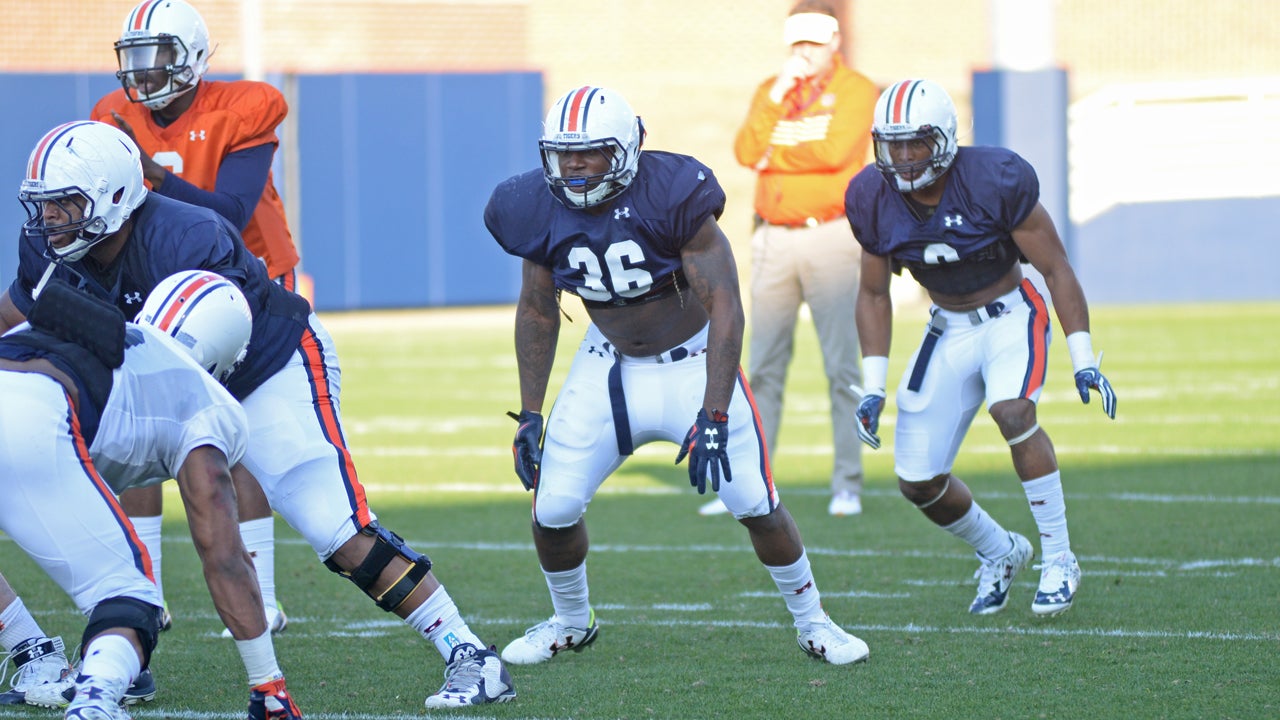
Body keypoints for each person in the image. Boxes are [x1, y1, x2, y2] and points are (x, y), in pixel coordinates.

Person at [0, 119, 514, 709]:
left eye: (65, 204)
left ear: (115, 196)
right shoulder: (46, 246)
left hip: (263, 368)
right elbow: (22, 308)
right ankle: (82, 652)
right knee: (38, 480)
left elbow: (197, 342)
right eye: (43, 206)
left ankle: (470, 653)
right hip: (160, 381)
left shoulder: (187, 236)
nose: (50, 221)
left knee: (333, 526)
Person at [486, 85, 869, 666]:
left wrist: (715, 412)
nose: (574, 165)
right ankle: (571, 621)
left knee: (753, 500)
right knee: (553, 507)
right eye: (563, 153)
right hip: (606, 367)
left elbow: (725, 305)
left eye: (589, 152)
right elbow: (538, 308)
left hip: (693, 361)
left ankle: (814, 621)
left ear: (627, 149)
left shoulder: (672, 192)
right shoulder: (530, 204)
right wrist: (531, 412)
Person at [846, 79, 1117, 616]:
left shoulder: (995, 178)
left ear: (944, 138)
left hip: (1010, 314)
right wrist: (872, 386)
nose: (902, 157)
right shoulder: (871, 196)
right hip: (946, 326)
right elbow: (873, 293)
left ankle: (1059, 557)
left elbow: (1056, 268)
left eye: (915, 142)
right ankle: (1000, 551)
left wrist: (1083, 357)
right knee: (918, 481)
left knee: (1013, 410)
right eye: (892, 143)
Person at [90, 0, 307, 636]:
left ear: (190, 57)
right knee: (137, 421)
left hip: (251, 279)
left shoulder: (243, 107)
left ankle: (263, 595)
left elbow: (230, 214)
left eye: (153, 57)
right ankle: (147, 589)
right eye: (131, 58)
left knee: (237, 429)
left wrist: (151, 171)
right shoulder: (112, 114)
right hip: (157, 279)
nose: (141, 73)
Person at [0, 277, 302, 717]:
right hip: (31, 417)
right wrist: (267, 683)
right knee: (133, 602)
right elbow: (222, 554)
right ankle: (95, 698)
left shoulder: (99, 329)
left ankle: (31, 649)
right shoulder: (205, 399)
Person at [705, 1, 878, 518]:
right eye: (796, 44)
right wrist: (778, 101)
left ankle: (847, 482)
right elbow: (743, 150)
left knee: (841, 364)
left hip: (830, 236)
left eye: (812, 44)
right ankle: (748, 484)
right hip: (772, 239)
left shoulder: (857, 89)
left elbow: (835, 152)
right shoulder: (771, 91)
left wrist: (774, 149)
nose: (803, 54)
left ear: (833, 43)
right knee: (761, 367)